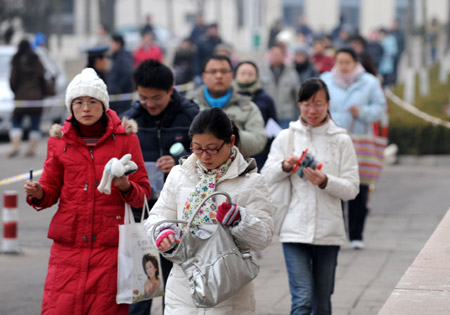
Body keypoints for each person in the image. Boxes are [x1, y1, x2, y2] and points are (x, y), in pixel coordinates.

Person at [23, 68, 151, 315]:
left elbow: (144, 193)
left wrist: (125, 185)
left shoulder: (126, 139)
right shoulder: (59, 141)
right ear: (71, 106)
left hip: (110, 250)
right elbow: (49, 191)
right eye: (79, 102)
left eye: (92, 101)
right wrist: (38, 192)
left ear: (103, 104)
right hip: (67, 250)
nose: (86, 108)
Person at [144, 107, 274, 314]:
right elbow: (156, 217)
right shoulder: (179, 174)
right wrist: (163, 233)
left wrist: (240, 220)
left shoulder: (252, 182)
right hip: (182, 288)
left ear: (231, 141)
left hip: (229, 290)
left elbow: (264, 238)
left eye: (212, 148)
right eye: (197, 148)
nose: (204, 156)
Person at [261, 78, 359, 315]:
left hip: (329, 232)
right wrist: (284, 166)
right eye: (306, 104)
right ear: (299, 104)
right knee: (302, 299)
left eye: (318, 103)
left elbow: (352, 188)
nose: (312, 110)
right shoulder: (287, 137)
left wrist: (325, 181)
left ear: (328, 104)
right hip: (293, 229)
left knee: (322, 302)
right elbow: (264, 178)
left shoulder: (341, 140)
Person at [121, 59, 199, 315]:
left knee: (175, 287)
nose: (149, 104)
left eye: (156, 98)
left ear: (170, 90)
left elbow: (207, 156)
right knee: (142, 287)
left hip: (177, 215)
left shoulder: (191, 116)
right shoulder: (130, 121)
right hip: (140, 212)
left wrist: (180, 162)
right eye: (143, 97)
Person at [320, 47, 387, 249]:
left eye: (347, 62)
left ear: (355, 62)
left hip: (359, 140)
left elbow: (380, 107)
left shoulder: (369, 82)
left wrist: (363, 112)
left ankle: (357, 235)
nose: (344, 66)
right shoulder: (326, 80)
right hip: (331, 139)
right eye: (340, 62)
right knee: (334, 185)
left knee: (359, 186)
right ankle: (337, 232)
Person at [186, 55, 267, 157]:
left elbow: (259, 142)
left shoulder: (247, 106)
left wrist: (228, 130)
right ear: (204, 77)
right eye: (213, 71)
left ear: (232, 76)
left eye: (224, 71)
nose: (219, 76)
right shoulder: (189, 104)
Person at [233, 60, 277, 171]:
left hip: (260, 150)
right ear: (235, 75)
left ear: (256, 76)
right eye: (242, 73)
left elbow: (273, 123)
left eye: (250, 74)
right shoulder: (229, 98)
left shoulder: (265, 99)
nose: (246, 77)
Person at [8, 39, 46, 157]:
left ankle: (15, 146)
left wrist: (16, 92)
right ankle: (31, 148)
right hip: (36, 96)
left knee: (16, 121)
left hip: (21, 96)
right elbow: (43, 76)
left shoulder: (16, 60)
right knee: (35, 123)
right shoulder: (36, 59)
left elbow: (13, 80)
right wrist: (41, 93)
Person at [260, 44, 300, 129]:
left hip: (286, 116)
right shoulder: (262, 72)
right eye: (273, 54)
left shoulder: (291, 73)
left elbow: (298, 95)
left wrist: (298, 115)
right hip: (266, 116)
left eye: (278, 54)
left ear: (283, 56)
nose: (275, 56)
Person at [108, 34, 134, 115]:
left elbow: (127, 74)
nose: (111, 46)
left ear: (118, 44)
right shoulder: (116, 56)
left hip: (121, 98)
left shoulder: (123, 58)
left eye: (112, 43)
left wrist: (118, 88)